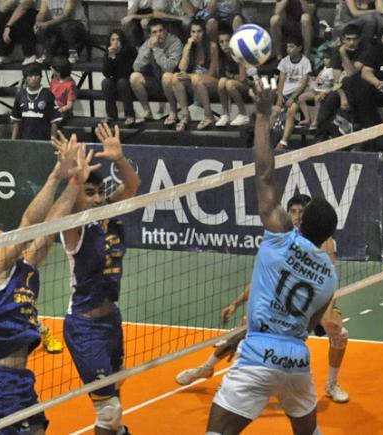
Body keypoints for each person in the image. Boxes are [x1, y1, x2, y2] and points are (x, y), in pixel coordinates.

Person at [205, 80, 338, 434]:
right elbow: (306, 326)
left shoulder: (280, 238)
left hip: (257, 357)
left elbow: (264, 175)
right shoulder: (329, 274)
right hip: (296, 360)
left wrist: (263, 116)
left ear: (300, 220)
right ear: (327, 237)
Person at [0, 134, 100, 432]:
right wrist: (55, 176)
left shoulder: (25, 269)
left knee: (38, 429)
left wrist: (75, 182)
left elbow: (50, 227)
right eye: (1, 241)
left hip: (20, 379)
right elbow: (28, 225)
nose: (10, 242)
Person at [177, 195, 350, 405]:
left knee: (339, 333)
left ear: (308, 218)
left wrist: (328, 314)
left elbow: (328, 279)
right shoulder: (284, 239)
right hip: (283, 302)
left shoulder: (324, 242)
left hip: (313, 299)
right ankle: (206, 368)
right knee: (243, 330)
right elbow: (263, 281)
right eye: (293, 212)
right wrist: (236, 304)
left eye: (301, 212)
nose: (296, 216)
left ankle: (331, 384)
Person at [61, 123, 140, 435]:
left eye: (99, 193)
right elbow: (71, 206)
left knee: (115, 391)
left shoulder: (110, 214)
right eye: (89, 193)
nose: (96, 199)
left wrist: (119, 159)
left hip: (111, 320)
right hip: (85, 327)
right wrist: (75, 178)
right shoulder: (75, 229)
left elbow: (132, 187)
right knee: (108, 410)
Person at [162, 19, 219, 131]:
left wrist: (190, 77)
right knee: (175, 77)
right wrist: (188, 47)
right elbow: (182, 69)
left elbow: (212, 73)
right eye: (193, 32)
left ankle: (208, 115)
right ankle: (185, 115)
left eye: (199, 31)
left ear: (204, 32)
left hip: (211, 82)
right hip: (194, 82)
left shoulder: (212, 46)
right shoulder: (188, 46)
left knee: (196, 78)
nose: (196, 35)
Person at [130, 18, 182, 124]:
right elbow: (136, 66)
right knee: (134, 77)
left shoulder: (175, 42)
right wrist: (149, 51)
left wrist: (156, 49)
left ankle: (173, 112)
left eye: (161, 30)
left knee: (167, 76)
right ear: (150, 35)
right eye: (154, 32)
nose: (158, 34)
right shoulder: (148, 43)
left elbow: (169, 67)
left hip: (174, 84)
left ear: (166, 31)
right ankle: (147, 112)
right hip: (155, 81)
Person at [272, 35, 312, 150]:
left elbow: (303, 84)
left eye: (291, 47)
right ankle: (265, 140)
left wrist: (293, 97)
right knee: (274, 112)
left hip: (297, 94)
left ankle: (283, 142)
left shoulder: (305, 62)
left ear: (299, 48)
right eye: (287, 47)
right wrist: (280, 96)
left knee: (291, 111)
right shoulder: (284, 61)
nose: (288, 49)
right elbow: (281, 80)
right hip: (284, 93)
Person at [11, 62, 62, 140]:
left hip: (43, 140)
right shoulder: (20, 95)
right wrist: (13, 141)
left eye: (36, 75)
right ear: (25, 78)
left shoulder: (48, 95)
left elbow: (54, 121)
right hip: (24, 140)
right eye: (30, 76)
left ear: (41, 77)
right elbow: (16, 121)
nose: (33, 78)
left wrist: (53, 142)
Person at [214, 26, 250, 127]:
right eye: (221, 42)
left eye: (227, 41)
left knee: (229, 84)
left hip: (250, 85)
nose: (224, 44)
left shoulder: (239, 53)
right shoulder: (221, 56)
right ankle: (225, 114)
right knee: (222, 81)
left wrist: (231, 76)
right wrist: (231, 77)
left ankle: (243, 114)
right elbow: (220, 75)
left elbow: (243, 78)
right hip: (234, 83)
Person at [34, 0, 89, 64]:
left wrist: (47, 24)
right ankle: (47, 54)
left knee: (66, 26)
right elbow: (41, 13)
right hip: (58, 25)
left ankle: (73, 53)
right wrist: (38, 23)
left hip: (77, 25)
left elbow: (66, 15)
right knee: (41, 29)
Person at [102, 29, 137, 126]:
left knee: (122, 82)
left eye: (118, 39)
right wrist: (110, 58)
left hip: (129, 80)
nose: (115, 42)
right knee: (106, 82)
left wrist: (117, 57)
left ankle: (129, 115)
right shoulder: (108, 52)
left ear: (122, 41)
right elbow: (106, 73)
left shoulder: (130, 50)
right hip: (115, 80)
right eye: (112, 40)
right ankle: (111, 114)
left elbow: (126, 72)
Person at [0, 0, 39, 67]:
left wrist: (8, 25)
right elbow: (2, 8)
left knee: (25, 15)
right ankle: (3, 54)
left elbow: (25, 5)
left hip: (30, 14)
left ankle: (30, 54)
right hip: (14, 16)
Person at [297, 51, 339, 131]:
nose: (325, 60)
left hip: (324, 91)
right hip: (316, 90)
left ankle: (315, 121)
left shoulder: (332, 71)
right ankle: (307, 119)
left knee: (317, 99)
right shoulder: (324, 69)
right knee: (301, 98)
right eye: (324, 58)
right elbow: (318, 79)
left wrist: (326, 92)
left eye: (327, 58)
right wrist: (314, 81)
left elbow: (334, 85)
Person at [49, 56, 76, 123]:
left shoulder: (70, 84)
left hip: (63, 111)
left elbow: (69, 105)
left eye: (52, 67)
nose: (50, 68)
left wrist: (59, 110)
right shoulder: (54, 80)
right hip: (53, 107)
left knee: (54, 119)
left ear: (58, 71)